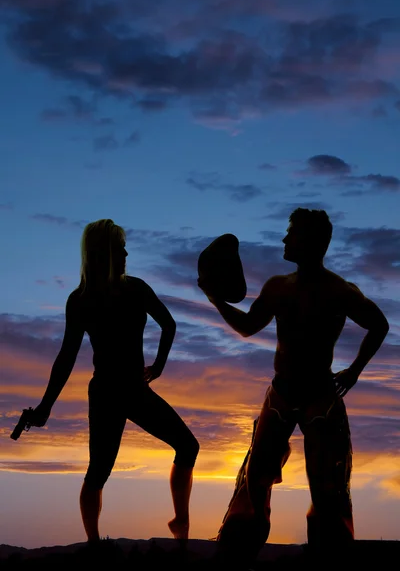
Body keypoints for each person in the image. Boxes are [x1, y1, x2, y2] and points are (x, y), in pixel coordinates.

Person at [199, 208, 389, 568]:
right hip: (281, 395)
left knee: (327, 488)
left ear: (312, 242)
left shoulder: (339, 291)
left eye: (291, 235)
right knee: (256, 478)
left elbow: (378, 324)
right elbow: (249, 326)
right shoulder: (278, 287)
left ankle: (328, 560)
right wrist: (215, 300)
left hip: (320, 397)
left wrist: (355, 370)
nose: (284, 240)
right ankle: (238, 558)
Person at [29, 219, 199, 544]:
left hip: (136, 389)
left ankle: (180, 521)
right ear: (103, 252)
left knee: (188, 446)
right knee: (98, 472)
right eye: (119, 247)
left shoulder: (136, 288)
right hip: (106, 393)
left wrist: (159, 364)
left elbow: (169, 324)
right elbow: (66, 357)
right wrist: (45, 407)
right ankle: (93, 544)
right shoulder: (80, 300)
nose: (125, 252)